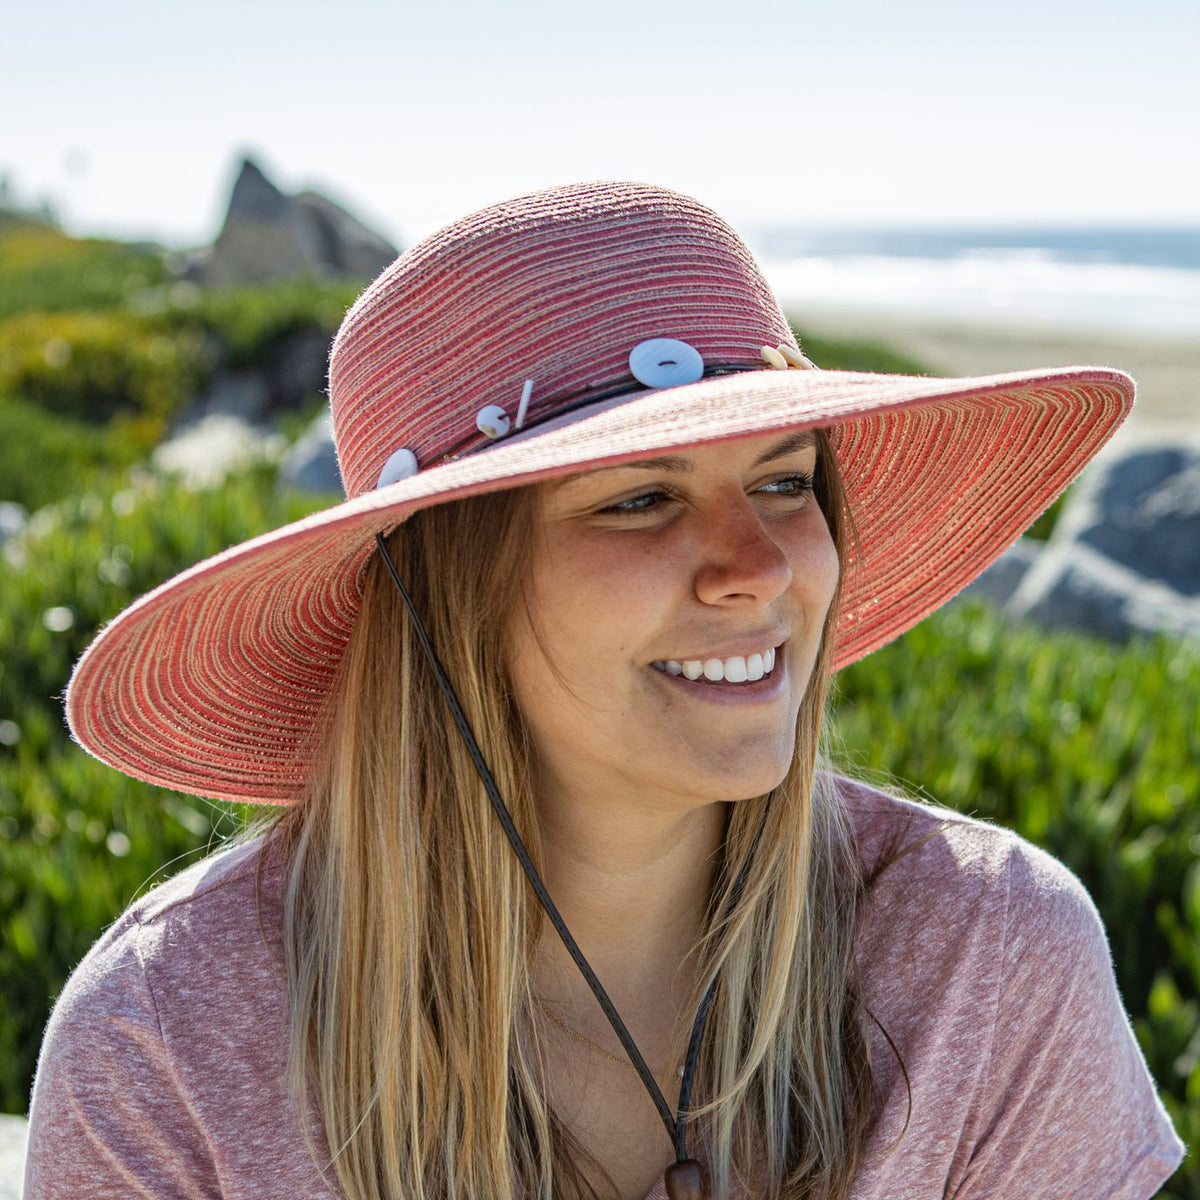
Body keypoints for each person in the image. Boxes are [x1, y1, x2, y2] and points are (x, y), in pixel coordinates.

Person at [24, 181, 1183, 1200]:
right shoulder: (169, 1040)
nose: (764, 568)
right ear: (443, 593)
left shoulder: (985, 957)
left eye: (786, 483)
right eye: (639, 500)